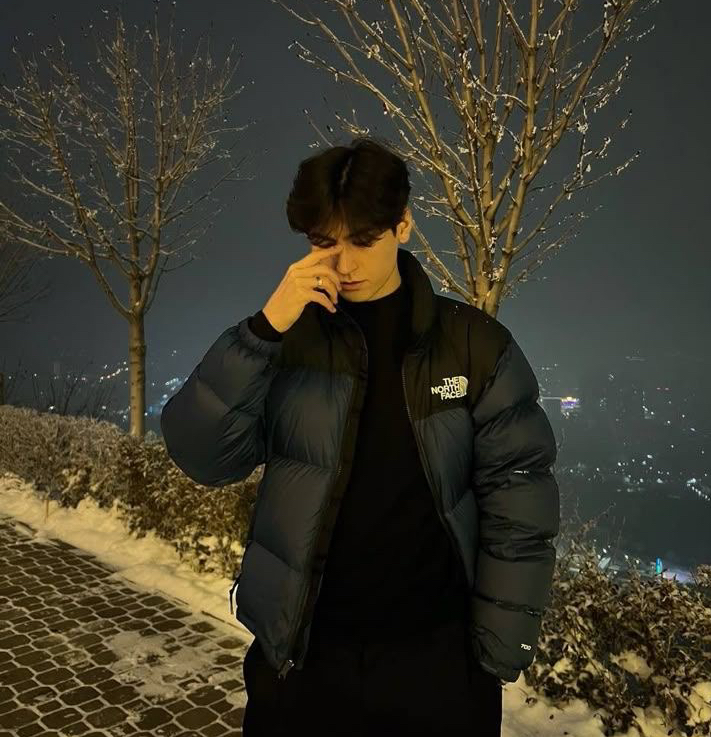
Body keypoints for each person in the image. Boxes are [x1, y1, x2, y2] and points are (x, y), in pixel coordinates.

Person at [160, 136, 560, 736]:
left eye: (362, 241)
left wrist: (496, 650)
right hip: (306, 659)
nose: (342, 264)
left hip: (437, 664)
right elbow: (203, 456)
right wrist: (263, 330)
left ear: (403, 226)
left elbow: (520, 500)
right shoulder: (285, 342)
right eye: (325, 242)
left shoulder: (474, 346)